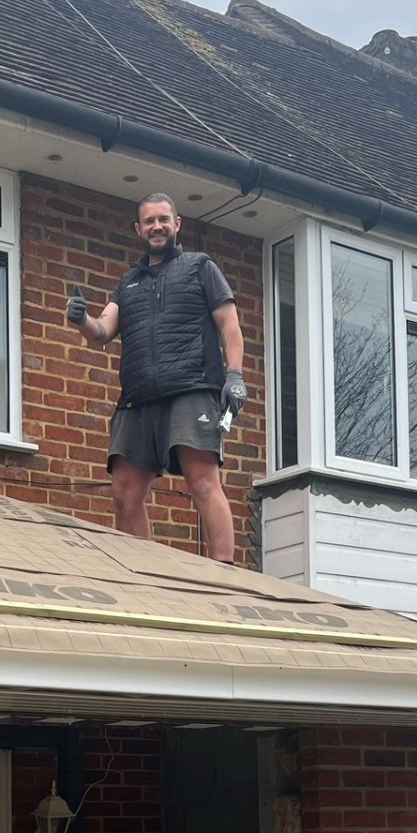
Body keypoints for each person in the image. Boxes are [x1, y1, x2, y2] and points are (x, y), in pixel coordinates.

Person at [67, 193, 246, 563]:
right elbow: (102, 331)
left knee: (202, 482)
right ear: (138, 229)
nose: (157, 226)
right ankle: (144, 576)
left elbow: (229, 323)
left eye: (164, 219)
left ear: (177, 225)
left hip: (191, 389)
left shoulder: (200, 267)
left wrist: (236, 376)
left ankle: (228, 577)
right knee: (124, 493)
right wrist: (80, 319)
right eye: (149, 221)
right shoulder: (128, 283)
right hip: (137, 398)